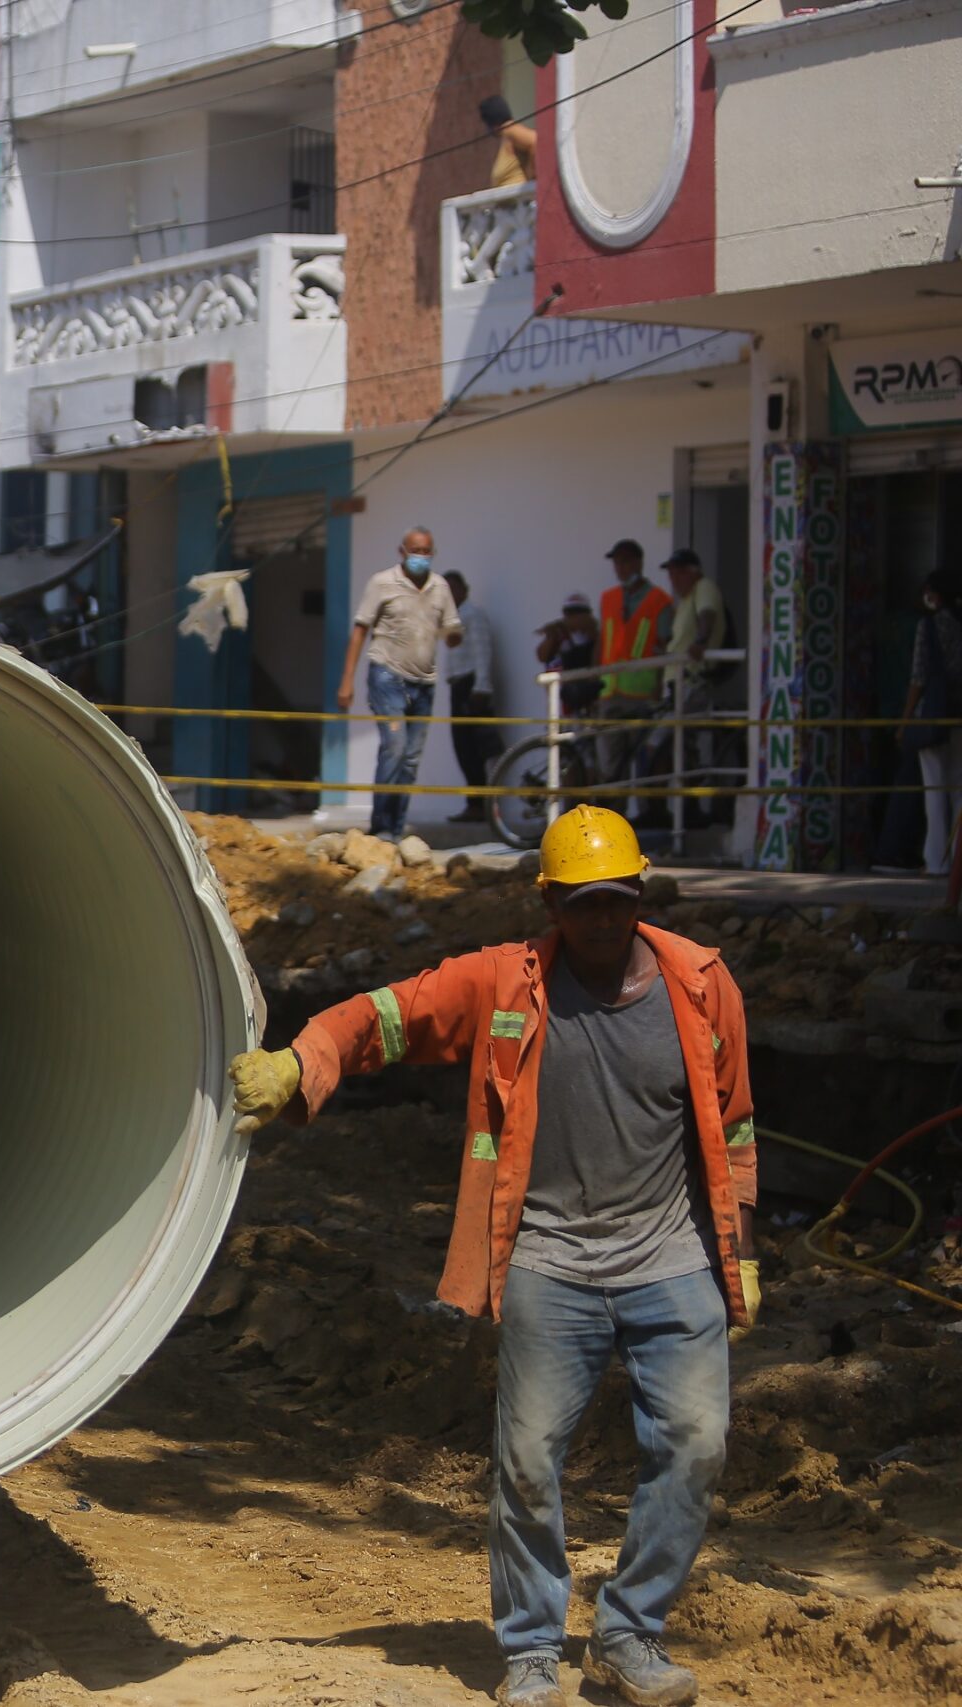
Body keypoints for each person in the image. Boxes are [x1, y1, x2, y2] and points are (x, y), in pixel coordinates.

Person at [229, 805, 758, 1707]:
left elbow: (736, 1125)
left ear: (639, 893)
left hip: (670, 1254)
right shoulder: (504, 984)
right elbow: (387, 1017)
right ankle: (532, 1649)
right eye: (581, 906)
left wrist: (739, 1252)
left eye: (615, 902)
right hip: (550, 1258)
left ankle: (631, 1631)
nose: (600, 922)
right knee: (525, 1458)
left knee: (698, 1441)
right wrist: (301, 1063)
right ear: (550, 902)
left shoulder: (704, 988)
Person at [338, 527, 464, 841]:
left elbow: (451, 629)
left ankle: (395, 828)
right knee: (394, 748)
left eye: (426, 552)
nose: (421, 557)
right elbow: (360, 631)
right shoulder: (382, 583)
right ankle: (380, 827)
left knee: (410, 758)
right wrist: (347, 680)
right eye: (415, 551)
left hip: (425, 682)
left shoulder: (441, 587)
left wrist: (454, 636)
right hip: (387, 675)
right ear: (402, 551)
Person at [595, 541, 674, 801]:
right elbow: (601, 642)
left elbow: (665, 646)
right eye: (617, 563)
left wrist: (658, 688)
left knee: (643, 759)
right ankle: (612, 818)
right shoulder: (608, 598)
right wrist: (594, 683)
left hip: (642, 694)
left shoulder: (659, 600)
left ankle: (646, 812)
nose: (621, 568)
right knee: (611, 762)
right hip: (609, 692)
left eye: (626, 562)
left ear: (639, 562)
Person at [657, 550, 730, 826]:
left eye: (678, 572)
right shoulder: (686, 600)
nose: (673, 579)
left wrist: (701, 640)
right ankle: (680, 813)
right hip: (677, 684)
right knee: (678, 747)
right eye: (671, 573)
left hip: (692, 683)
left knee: (673, 746)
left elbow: (708, 614)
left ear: (692, 571)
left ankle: (689, 813)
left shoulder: (704, 588)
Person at [904, 569, 962, 876]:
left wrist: (905, 719)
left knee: (935, 789)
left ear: (934, 594)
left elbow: (918, 677)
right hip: (959, 717)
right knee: (958, 789)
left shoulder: (928, 627)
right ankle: (958, 859)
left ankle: (937, 862)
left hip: (933, 716)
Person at [443, 571, 499, 821]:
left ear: (464, 589)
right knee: (463, 747)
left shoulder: (472, 615)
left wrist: (482, 687)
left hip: (471, 686)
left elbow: (482, 651)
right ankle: (475, 802)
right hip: (458, 685)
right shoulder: (453, 619)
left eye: (454, 589)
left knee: (474, 748)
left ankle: (481, 804)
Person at [536, 593, 602, 716]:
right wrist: (552, 636)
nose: (573, 617)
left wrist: (589, 628)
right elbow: (541, 656)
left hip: (591, 701)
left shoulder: (594, 635)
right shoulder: (559, 636)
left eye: (578, 612)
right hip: (565, 703)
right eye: (569, 613)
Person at [482, 95, 540, 188]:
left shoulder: (509, 129)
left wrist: (531, 175)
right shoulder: (506, 136)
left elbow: (535, 141)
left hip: (521, 198)